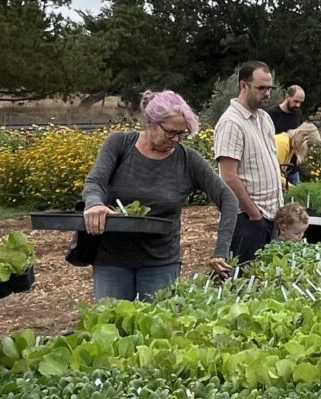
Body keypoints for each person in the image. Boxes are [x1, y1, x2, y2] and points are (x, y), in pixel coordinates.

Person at [82, 90, 238, 300]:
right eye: (170, 132)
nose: (176, 139)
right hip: (112, 261)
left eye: (181, 134)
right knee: (111, 325)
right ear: (151, 123)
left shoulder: (188, 160)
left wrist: (221, 250)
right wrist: (93, 204)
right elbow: (95, 181)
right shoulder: (120, 144)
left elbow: (228, 199)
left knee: (158, 327)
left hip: (160, 264)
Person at [215, 61, 284, 262]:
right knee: (244, 282)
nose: (267, 94)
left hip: (270, 216)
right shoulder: (231, 123)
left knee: (266, 281)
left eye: (270, 88)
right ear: (243, 86)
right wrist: (254, 214)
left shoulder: (264, 118)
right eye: (261, 88)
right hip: (246, 220)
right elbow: (228, 176)